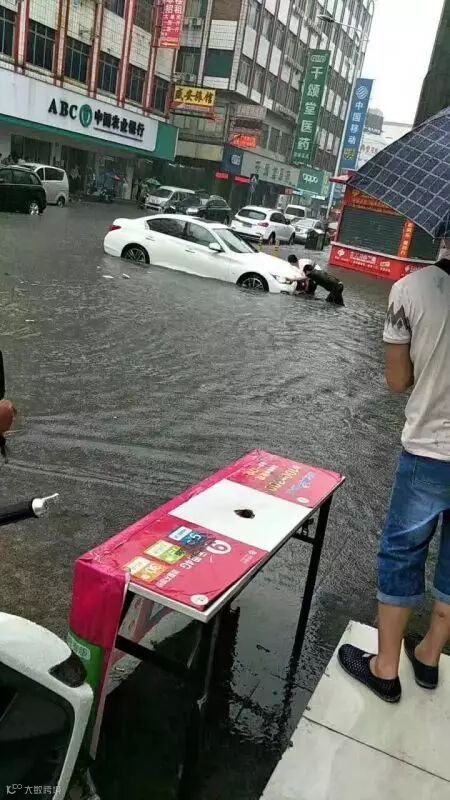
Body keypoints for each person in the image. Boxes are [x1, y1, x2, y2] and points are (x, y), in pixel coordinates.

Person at [339, 248, 450, 703]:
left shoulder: (410, 290)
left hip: (429, 452)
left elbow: (397, 380)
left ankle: (385, 668)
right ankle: (429, 656)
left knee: (403, 553)